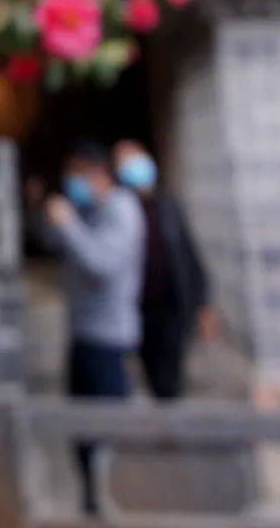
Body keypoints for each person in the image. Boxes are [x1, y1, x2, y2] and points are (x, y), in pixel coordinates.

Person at [29, 139, 145, 515]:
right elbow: (51, 243)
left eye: (77, 174)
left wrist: (70, 224)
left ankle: (116, 501)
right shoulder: (87, 209)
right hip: (82, 334)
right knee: (81, 427)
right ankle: (91, 502)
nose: (72, 183)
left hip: (109, 338)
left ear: (98, 174)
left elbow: (101, 265)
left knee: (107, 431)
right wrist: (43, 212)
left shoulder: (121, 211)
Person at [113, 139, 214, 400]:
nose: (133, 166)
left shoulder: (168, 205)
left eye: (136, 158)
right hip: (137, 306)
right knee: (147, 370)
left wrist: (202, 303)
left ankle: (169, 426)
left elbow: (188, 255)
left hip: (171, 305)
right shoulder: (119, 209)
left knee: (170, 377)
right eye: (125, 162)